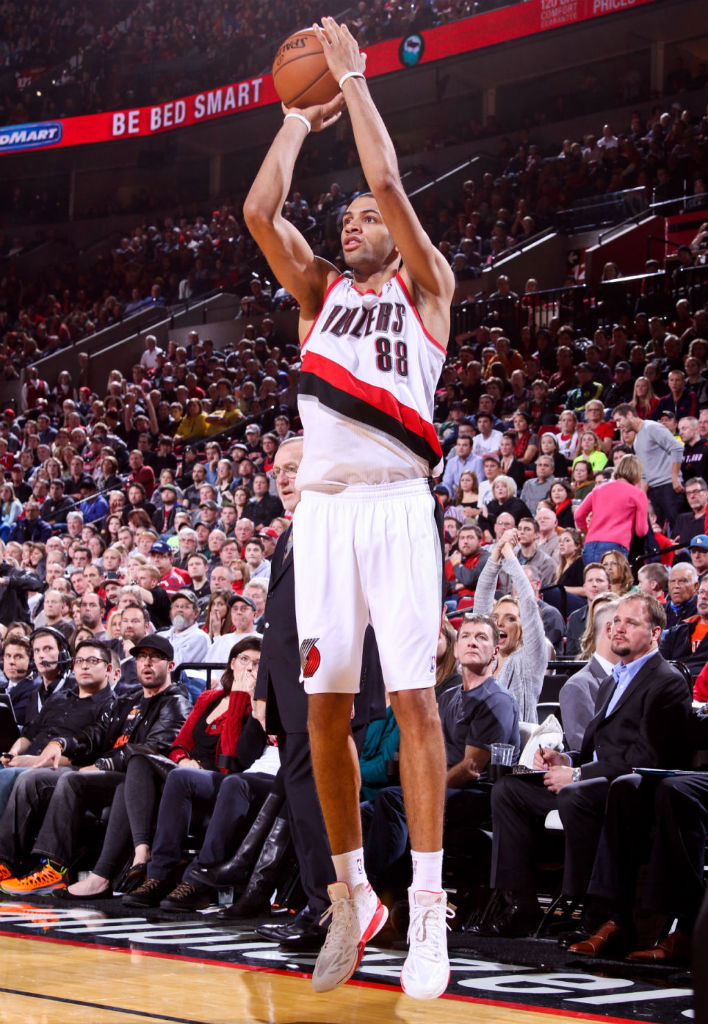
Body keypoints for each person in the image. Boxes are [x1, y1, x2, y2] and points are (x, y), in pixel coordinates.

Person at [243, 17, 454, 1000]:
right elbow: (258, 212)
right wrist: (295, 117)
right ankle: (351, 893)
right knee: (317, 721)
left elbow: (396, 187)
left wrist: (359, 84)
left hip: (398, 502)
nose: (351, 224)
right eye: (346, 219)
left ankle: (425, 907)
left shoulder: (428, 287)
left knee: (411, 700)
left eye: (363, 217)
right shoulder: (318, 292)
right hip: (322, 516)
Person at [483, 593, 692, 938]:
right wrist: (565, 760)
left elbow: (645, 758)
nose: (619, 629)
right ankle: (520, 904)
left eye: (632, 623)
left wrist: (577, 775)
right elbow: (599, 750)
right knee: (509, 790)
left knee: (575, 796)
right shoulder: (612, 681)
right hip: (592, 783)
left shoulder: (667, 681)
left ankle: (588, 912)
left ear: (655, 633)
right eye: (617, 622)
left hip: (631, 792)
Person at [60, 637, 260, 902]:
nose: (249, 668)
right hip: (183, 772)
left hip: (220, 779)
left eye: (257, 663)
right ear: (232, 662)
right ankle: (135, 859)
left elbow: (232, 754)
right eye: (244, 659)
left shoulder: (255, 703)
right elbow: (179, 745)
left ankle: (126, 872)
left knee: (132, 780)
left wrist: (239, 697)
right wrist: (183, 759)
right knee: (138, 762)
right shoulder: (209, 698)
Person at [0, 634, 191, 895]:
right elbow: (96, 733)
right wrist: (61, 744)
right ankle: (6, 862)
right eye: (141, 657)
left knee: (72, 780)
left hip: (136, 781)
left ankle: (54, 870)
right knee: (31, 779)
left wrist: (103, 764)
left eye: (155, 658)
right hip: (106, 773)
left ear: (170, 666)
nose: (146, 663)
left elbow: (151, 749)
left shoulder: (176, 702)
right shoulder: (129, 700)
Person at [473, 528, 548, 722]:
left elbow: (529, 604)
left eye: (511, 618)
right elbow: (481, 604)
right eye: (496, 617)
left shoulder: (531, 659)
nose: (499, 623)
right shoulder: (487, 658)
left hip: (518, 748)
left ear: (524, 629)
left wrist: (509, 556)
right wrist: (496, 554)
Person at [613, 403, 685, 533]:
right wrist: (640, 495)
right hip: (654, 490)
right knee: (658, 533)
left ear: (629, 414)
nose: (618, 426)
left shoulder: (652, 427)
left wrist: (674, 476)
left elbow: (677, 447)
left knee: (678, 530)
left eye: (619, 420)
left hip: (669, 486)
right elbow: (644, 472)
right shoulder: (636, 439)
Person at [559, 597, 619, 749]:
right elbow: (585, 750)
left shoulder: (632, 679)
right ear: (610, 630)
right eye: (628, 624)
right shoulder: (578, 687)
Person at [575, 454, 648, 564]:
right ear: (637, 473)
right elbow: (641, 531)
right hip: (616, 547)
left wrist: (586, 531)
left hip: (590, 545)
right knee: (613, 581)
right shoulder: (638, 494)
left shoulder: (598, 489)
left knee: (593, 580)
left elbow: (578, 515)